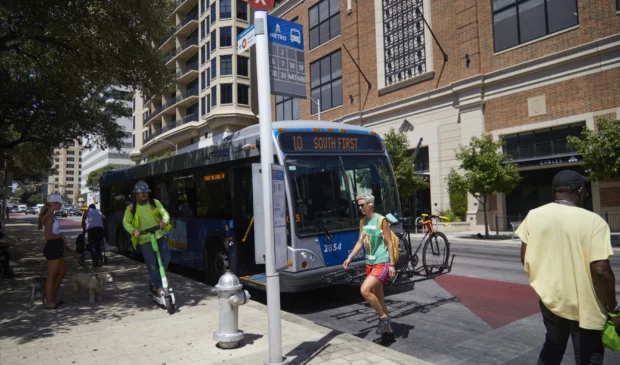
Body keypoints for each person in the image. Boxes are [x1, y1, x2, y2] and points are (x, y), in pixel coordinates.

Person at [517, 170, 620, 364]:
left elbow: (525, 257)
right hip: (584, 305)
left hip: (550, 300)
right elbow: (601, 271)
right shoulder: (594, 222)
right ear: (579, 191)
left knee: (553, 346)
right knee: (588, 356)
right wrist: (614, 309)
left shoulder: (534, 215)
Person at [343, 193, 396, 343]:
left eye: (362, 205)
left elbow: (389, 243)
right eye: (358, 205)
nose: (360, 207)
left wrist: (392, 264)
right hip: (370, 263)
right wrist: (350, 257)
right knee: (379, 299)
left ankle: (383, 318)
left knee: (364, 290)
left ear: (370, 205)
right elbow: (360, 242)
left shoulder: (381, 220)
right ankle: (389, 333)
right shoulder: (363, 222)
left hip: (382, 262)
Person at [122, 181, 171, 295]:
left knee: (166, 257)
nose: (144, 194)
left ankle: (157, 280)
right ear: (137, 194)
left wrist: (164, 221)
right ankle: (158, 286)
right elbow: (126, 222)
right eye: (141, 192)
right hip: (144, 240)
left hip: (158, 235)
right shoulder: (131, 207)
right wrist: (133, 230)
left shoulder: (154, 202)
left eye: (146, 192)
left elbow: (165, 213)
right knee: (152, 264)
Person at [37, 194, 70, 309]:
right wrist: (61, 236)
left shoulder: (52, 216)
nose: (60, 205)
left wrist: (61, 240)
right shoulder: (49, 217)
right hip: (52, 247)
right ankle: (50, 302)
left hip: (57, 246)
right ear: (54, 204)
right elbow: (49, 236)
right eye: (59, 203)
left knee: (61, 272)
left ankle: (53, 298)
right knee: (51, 275)